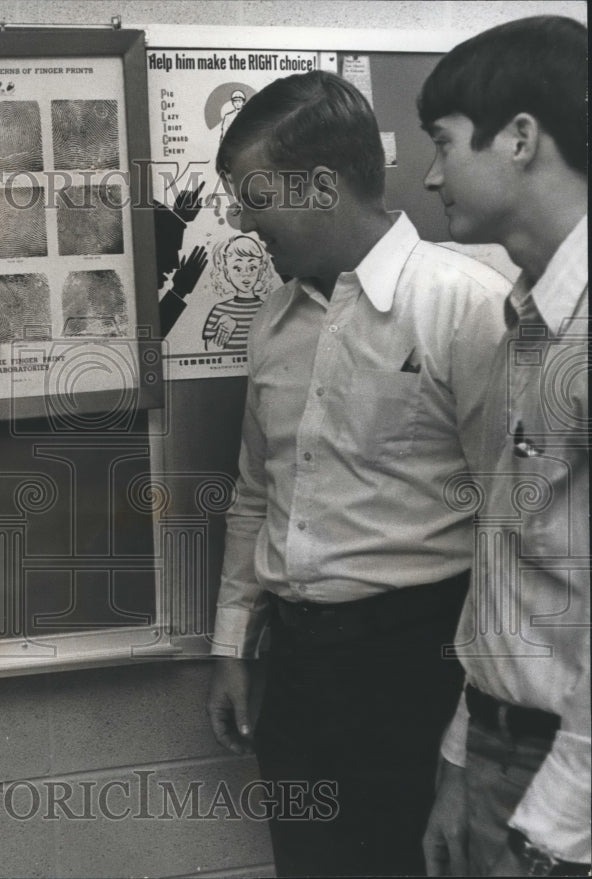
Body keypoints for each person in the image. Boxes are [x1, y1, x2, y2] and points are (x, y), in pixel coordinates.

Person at [205, 70, 511, 876]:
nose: (243, 221)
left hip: (419, 667)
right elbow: (255, 490)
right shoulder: (275, 318)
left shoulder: (467, 307)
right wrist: (233, 646)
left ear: (318, 185)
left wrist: (476, 724)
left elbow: (514, 526)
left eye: (253, 196)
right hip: (299, 673)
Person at [416, 16, 589, 877]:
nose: (430, 173)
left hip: (567, 788)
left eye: (443, 143)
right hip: (500, 748)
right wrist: (461, 762)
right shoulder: (522, 321)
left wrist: (555, 830)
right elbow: (513, 572)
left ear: (520, 137)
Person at [201, 234, 276, 351]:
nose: (246, 274)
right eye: (237, 268)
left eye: (252, 268)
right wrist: (225, 331)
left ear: (261, 270)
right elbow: (210, 352)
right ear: (227, 272)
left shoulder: (267, 309)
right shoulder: (219, 310)